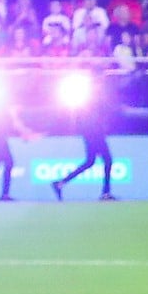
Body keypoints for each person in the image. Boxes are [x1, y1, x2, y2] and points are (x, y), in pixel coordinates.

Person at [50, 73, 119, 202]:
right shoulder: (94, 97)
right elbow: (102, 112)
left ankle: (60, 183)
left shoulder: (90, 98)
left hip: (90, 132)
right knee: (107, 161)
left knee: (90, 162)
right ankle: (105, 192)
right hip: (94, 132)